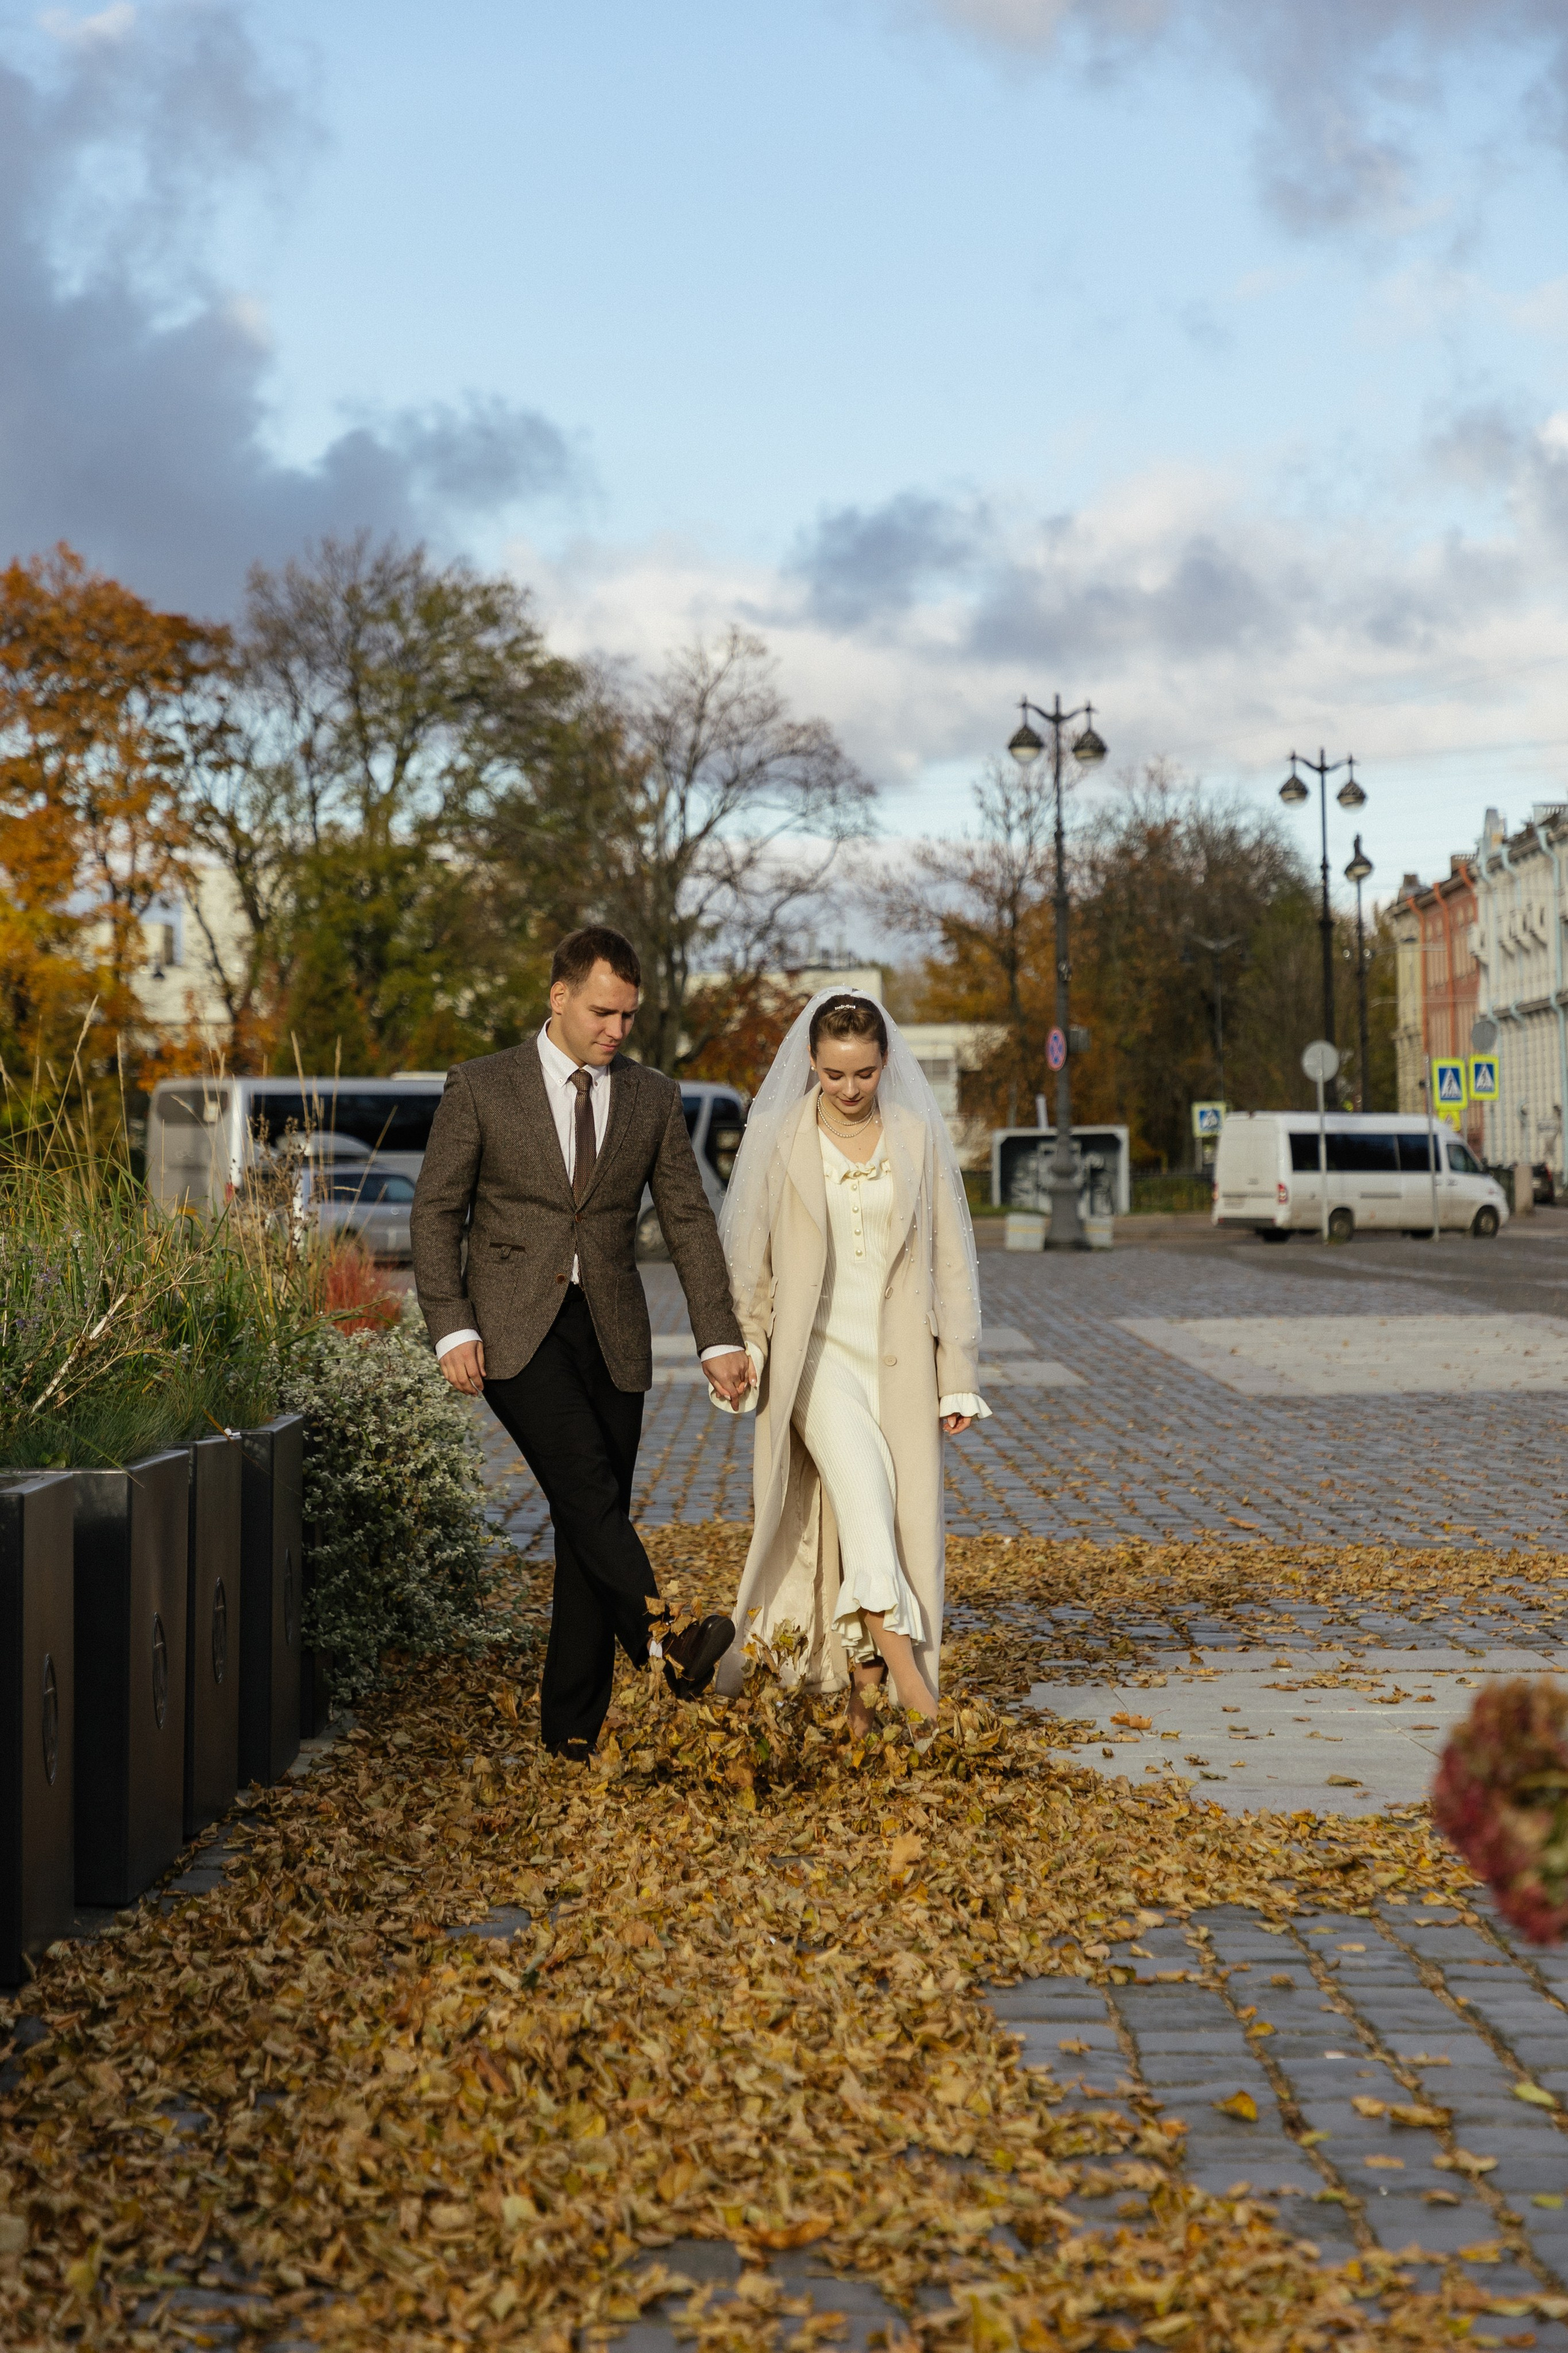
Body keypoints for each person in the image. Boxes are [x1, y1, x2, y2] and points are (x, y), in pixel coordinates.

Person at [410, 926, 752, 1760]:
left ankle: (571, 1732)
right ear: (558, 996)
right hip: (512, 1333)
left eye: (630, 1016)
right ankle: (667, 1638)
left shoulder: (653, 1097)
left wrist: (717, 1338)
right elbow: (435, 1212)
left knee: (586, 1525)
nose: (616, 1030)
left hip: (615, 1333)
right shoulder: (481, 1086)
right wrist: (452, 1323)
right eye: (603, 1011)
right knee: (589, 1493)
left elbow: (688, 1222)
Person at [710, 989, 988, 1731]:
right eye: (834, 1074)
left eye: (863, 1072)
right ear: (811, 1062)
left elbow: (950, 1257)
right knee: (866, 1512)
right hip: (816, 1364)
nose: (849, 1088)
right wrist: (749, 1349)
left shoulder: (915, 1132)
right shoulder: (777, 1134)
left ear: (884, 1061)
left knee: (893, 1527)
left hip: (899, 1361)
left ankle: (861, 1711)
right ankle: (918, 1698)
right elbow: (751, 1264)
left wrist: (956, 1370)